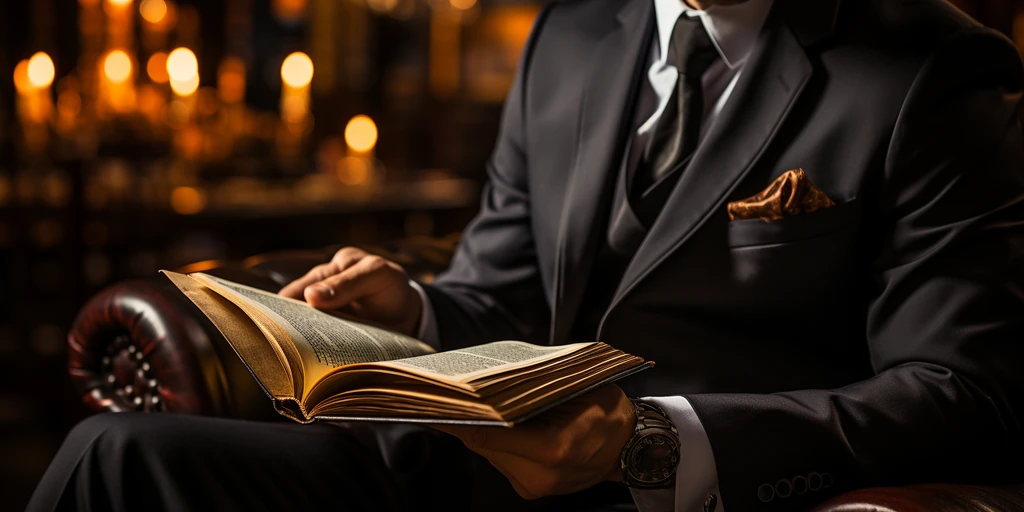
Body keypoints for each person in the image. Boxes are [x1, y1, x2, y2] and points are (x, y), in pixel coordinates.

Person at [30, 0, 1024, 510]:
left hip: (686, 496)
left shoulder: (933, 71)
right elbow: (499, 289)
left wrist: (655, 440)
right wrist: (414, 309)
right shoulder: (574, 33)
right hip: (471, 469)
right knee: (116, 455)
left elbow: (958, 388)